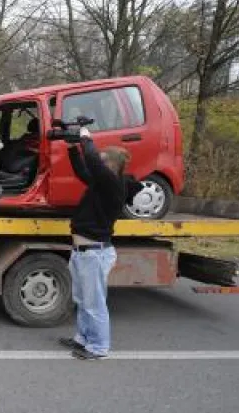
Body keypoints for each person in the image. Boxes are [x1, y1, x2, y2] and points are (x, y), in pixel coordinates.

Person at [58, 127, 143, 360]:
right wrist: (72, 147)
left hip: (94, 253)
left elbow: (93, 162)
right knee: (83, 300)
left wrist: (86, 138)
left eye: (103, 160)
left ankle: (99, 347)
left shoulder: (114, 185)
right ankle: (83, 339)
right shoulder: (102, 185)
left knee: (94, 303)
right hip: (83, 252)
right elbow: (83, 170)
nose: (97, 162)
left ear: (112, 166)